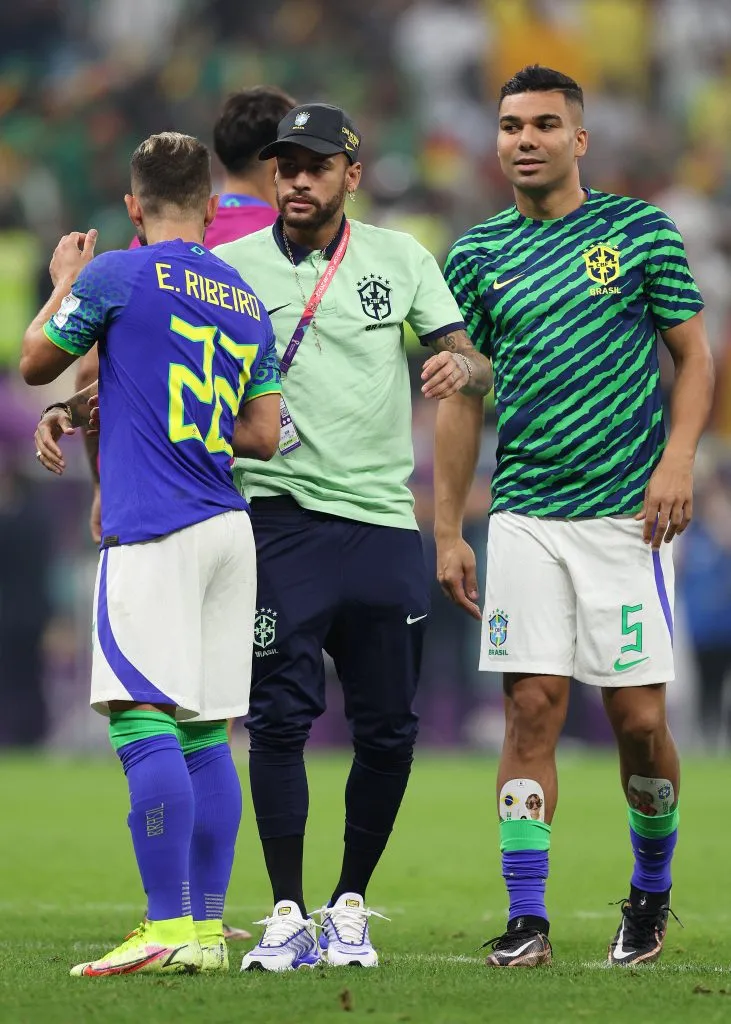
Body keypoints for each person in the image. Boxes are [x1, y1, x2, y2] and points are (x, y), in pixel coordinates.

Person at [436, 65, 714, 968]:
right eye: (510, 124)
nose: (523, 139)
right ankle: (528, 922)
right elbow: (469, 386)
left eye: (543, 124)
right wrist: (447, 527)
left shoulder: (637, 231)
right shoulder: (475, 254)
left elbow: (695, 358)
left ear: (577, 140)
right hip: (523, 515)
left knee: (637, 723)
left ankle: (649, 894)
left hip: (626, 520)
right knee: (530, 711)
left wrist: (678, 461)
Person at [214, 103, 494, 971]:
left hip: (380, 524)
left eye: (315, 165)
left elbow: (468, 359)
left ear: (351, 175)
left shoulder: (401, 257)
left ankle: (348, 908)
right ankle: (287, 912)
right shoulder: (227, 269)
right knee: (278, 723)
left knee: (387, 731)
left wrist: (461, 365)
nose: (297, 179)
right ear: (270, 175)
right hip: (278, 521)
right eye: (284, 165)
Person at [21, 131, 281, 976]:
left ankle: (164, 926)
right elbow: (264, 434)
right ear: (211, 206)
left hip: (154, 522)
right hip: (227, 526)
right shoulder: (243, 294)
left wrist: (63, 280)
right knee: (208, 732)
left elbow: (34, 362)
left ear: (132, 208)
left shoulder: (115, 274)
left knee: (142, 719)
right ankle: (203, 932)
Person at [74, 85, 295, 548]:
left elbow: (93, 369)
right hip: (278, 507)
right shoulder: (295, 246)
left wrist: (102, 482)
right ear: (277, 165)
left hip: (159, 502)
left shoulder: (148, 246)